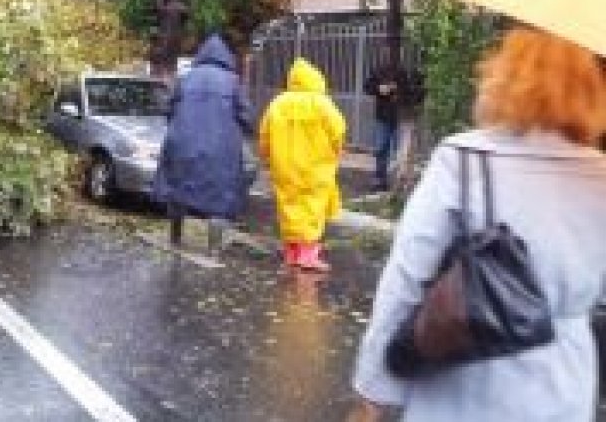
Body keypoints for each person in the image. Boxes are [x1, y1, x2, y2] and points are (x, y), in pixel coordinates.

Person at [350, 27, 606, 421]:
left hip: (467, 370)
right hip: (564, 380)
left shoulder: (464, 159)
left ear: (504, 78)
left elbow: (406, 276)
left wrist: (375, 388)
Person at [153, 33, 254, 249]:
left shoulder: (185, 78)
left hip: (182, 144)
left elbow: (168, 109)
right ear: (226, 57)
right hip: (221, 149)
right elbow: (246, 116)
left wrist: (179, 127)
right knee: (218, 197)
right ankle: (213, 249)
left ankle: (175, 239)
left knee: (178, 191)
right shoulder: (232, 81)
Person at [258, 58, 346, 272]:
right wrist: (337, 151)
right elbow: (338, 130)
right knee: (312, 209)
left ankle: (291, 254)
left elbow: (264, 134)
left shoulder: (277, 103)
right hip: (315, 166)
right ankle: (307, 256)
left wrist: (267, 157)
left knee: (288, 207)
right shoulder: (321, 103)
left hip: (284, 166)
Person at [365, 60, 415, 191]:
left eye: (394, 48)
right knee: (382, 148)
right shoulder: (379, 69)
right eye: (389, 48)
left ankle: (398, 183)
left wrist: (398, 90)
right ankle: (380, 180)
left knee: (400, 152)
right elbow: (368, 87)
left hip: (400, 117)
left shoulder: (404, 71)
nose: (391, 53)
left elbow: (412, 93)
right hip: (383, 116)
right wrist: (379, 89)